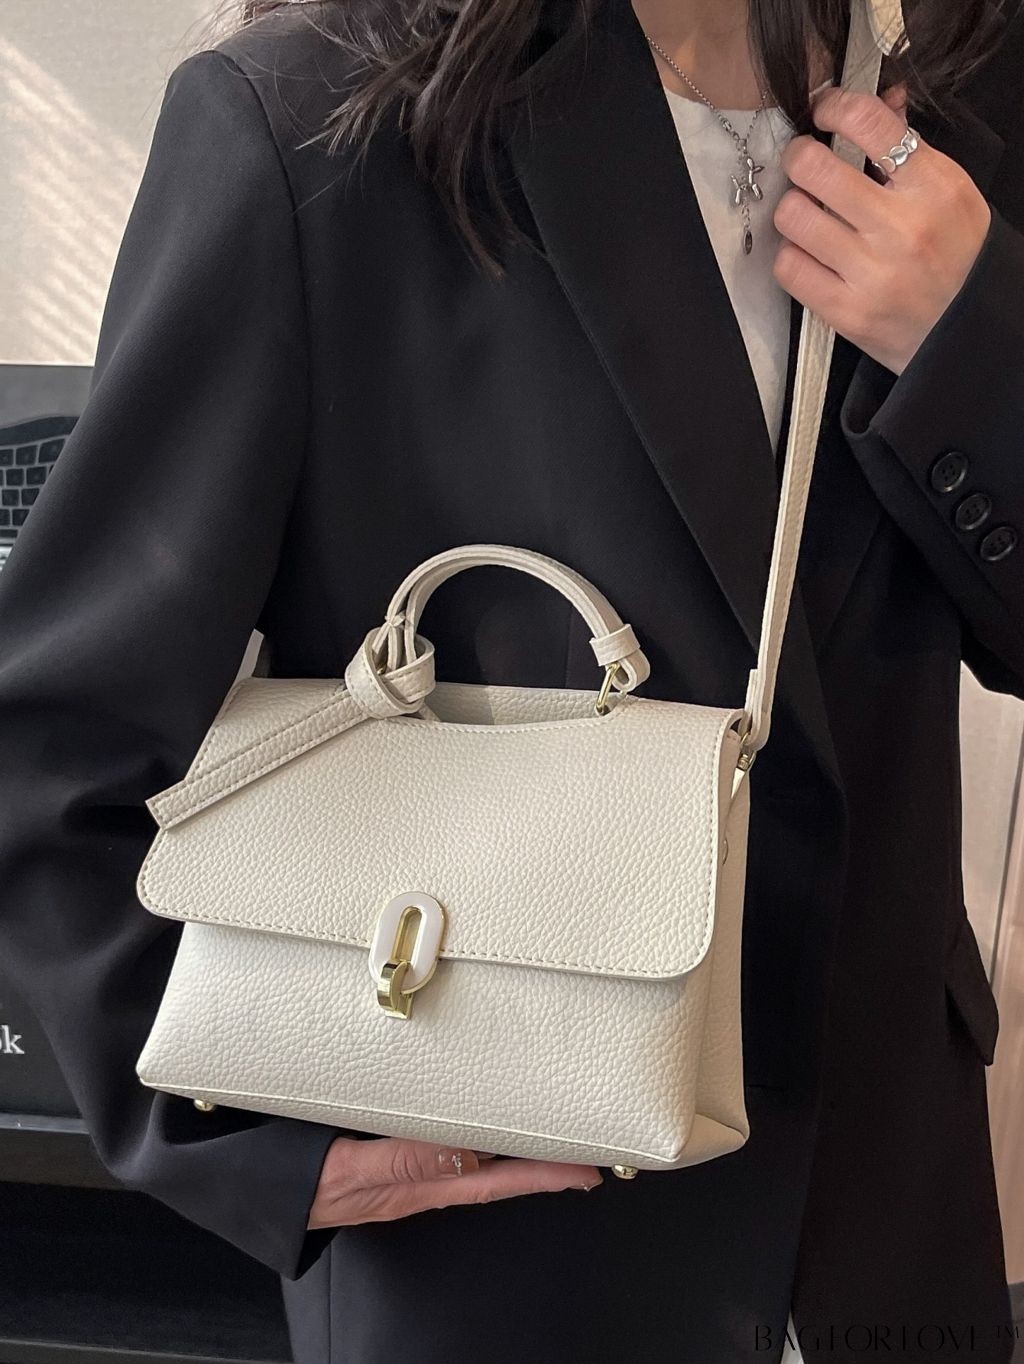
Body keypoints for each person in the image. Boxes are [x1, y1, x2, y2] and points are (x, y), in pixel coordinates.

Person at [0, 0, 1020, 1359]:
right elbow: (52, 732)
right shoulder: (319, 120)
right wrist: (238, 1138)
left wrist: (978, 351)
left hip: (890, 1222)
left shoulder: (955, 96)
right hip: (501, 1229)